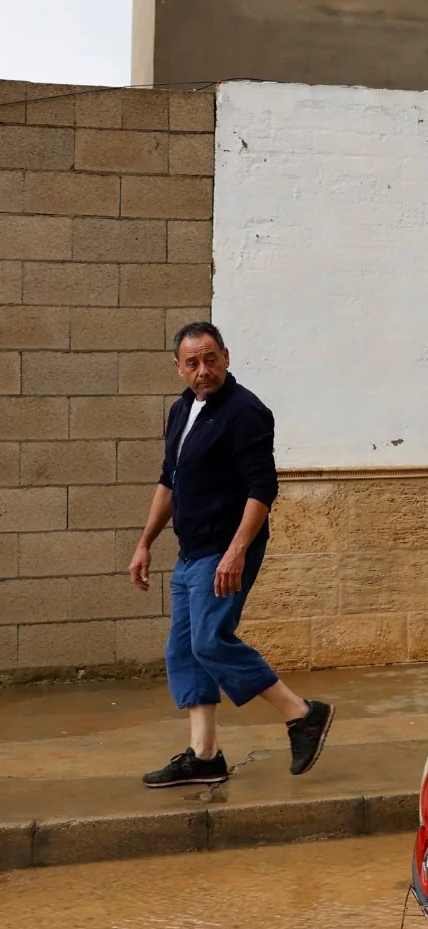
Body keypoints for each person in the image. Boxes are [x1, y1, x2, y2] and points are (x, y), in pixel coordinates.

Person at [129, 322, 331, 787]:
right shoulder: (182, 410)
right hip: (191, 548)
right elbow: (169, 482)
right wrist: (144, 543)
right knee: (183, 649)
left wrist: (237, 551)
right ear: (177, 368)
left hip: (225, 548)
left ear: (226, 356)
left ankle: (302, 714)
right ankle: (205, 756)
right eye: (193, 363)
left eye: (211, 358)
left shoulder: (246, 412)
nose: (204, 370)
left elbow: (263, 487)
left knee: (210, 640)